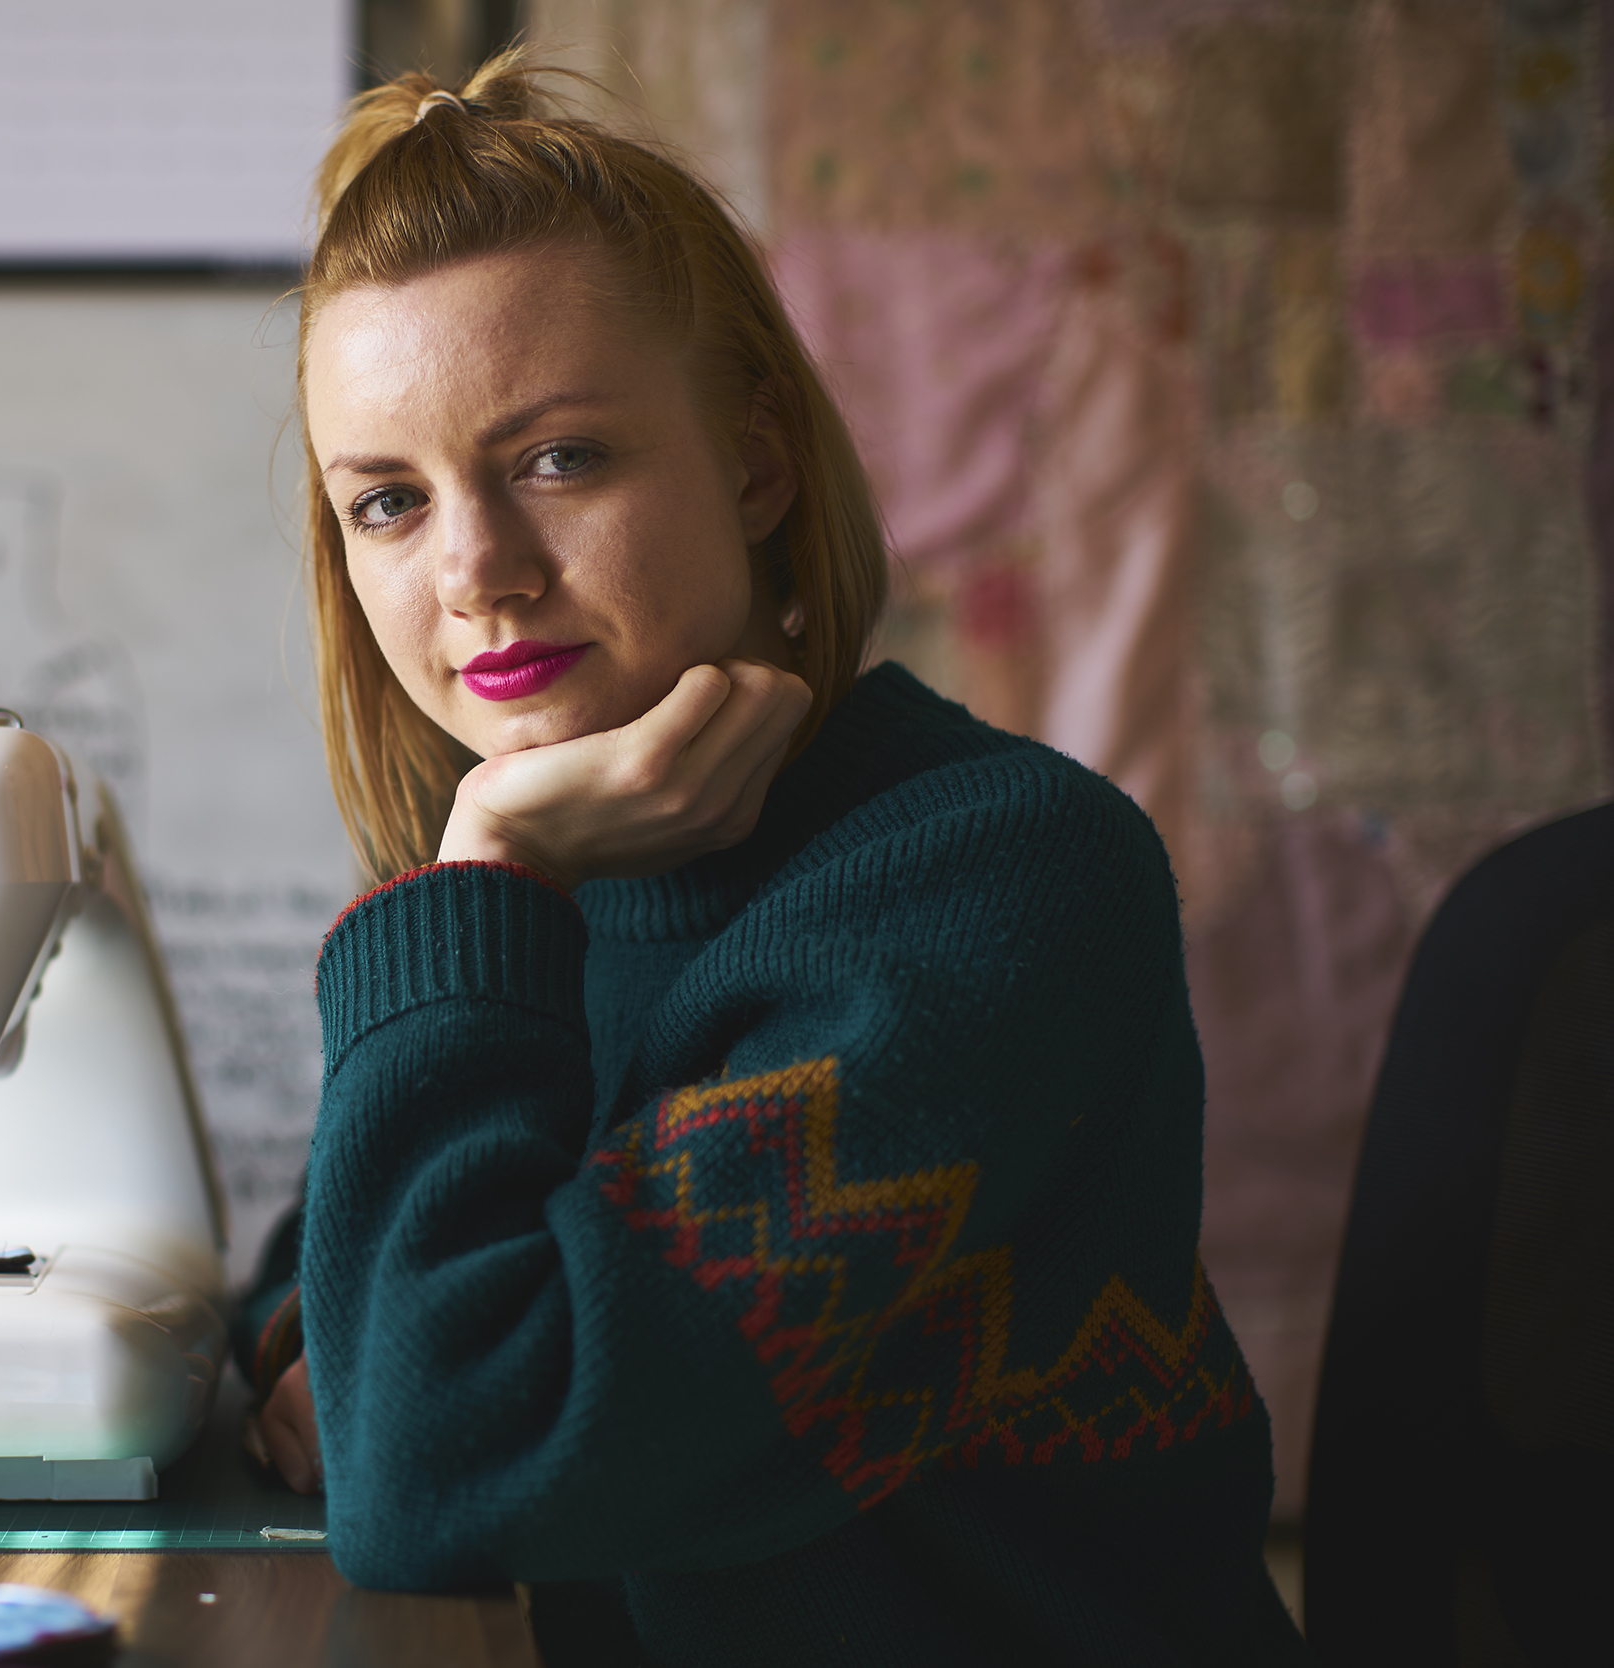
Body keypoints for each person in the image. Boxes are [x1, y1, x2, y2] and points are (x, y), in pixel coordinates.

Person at [232, 52, 1314, 1668]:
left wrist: (491, 870)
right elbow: (303, 1309)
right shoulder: (556, 889)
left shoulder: (1007, 883)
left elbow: (438, 1458)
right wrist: (361, 1355)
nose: (477, 573)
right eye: (388, 502)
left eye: (557, 459)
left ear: (753, 465)